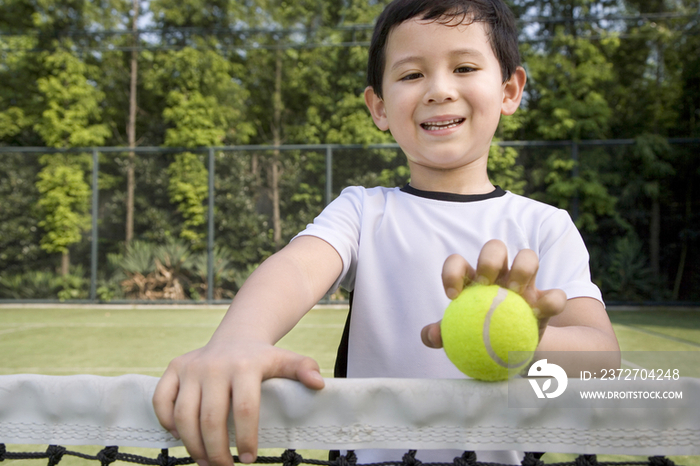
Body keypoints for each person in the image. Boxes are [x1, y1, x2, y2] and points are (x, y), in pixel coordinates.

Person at [153, 0, 620, 465]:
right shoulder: (362, 210)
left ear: (509, 90)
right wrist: (238, 338)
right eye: (412, 75)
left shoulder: (546, 225)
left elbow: (602, 363)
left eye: (463, 67)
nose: (439, 90)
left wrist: (529, 341)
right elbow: (296, 269)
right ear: (378, 107)